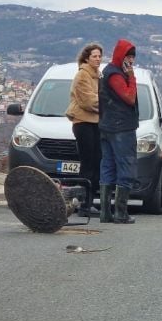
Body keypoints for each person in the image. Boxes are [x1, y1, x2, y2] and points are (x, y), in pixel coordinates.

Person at [98, 39, 139, 224]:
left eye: (132, 57)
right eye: (128, 56)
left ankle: (106, 213)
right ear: (120, 56)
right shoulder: (115, 75)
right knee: (125, 167)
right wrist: (132, 76)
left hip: (108, 126)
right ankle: (120, 212)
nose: (130, 61)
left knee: (108, 166)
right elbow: (129, 98)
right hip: (121, 127)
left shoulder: (109, 72)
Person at [65, 43, 103, 217]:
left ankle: (89, 201)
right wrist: (106, 104)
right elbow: (89, 101)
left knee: (96, 163)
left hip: (95, 123)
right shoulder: (82, 75)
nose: (98, 59)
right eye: (94, 56)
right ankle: (84, 204)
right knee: (88, 164)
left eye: (99, 56)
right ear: (87, 58)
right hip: (83, 122)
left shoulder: (97, 76)